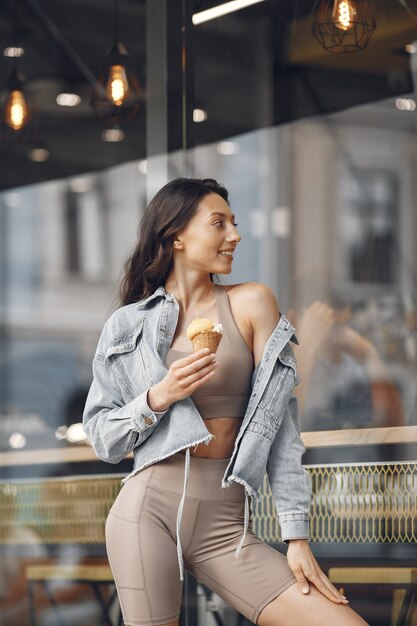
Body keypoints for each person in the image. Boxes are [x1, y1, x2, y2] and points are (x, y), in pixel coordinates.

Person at [82, 178, 369, 626]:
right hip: (147, 514)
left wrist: (296, 535)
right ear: (176, 235)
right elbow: (103, 439)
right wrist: (159, 396)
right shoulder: (126, 326)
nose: (234, 235)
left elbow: (283, 428)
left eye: (234, 224)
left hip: (227, 528)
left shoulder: (252, 302)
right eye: (219, 223)